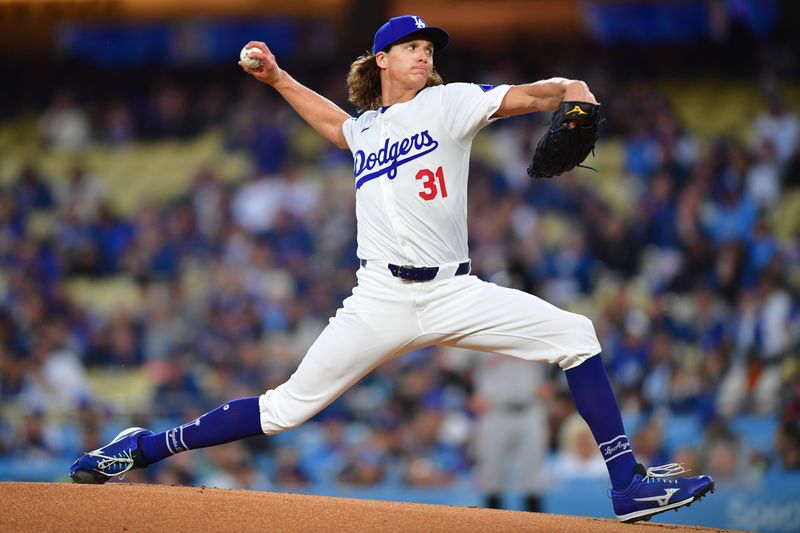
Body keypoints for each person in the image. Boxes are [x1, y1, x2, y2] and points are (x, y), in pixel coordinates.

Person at [69, 15, 714, 523]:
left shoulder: (450, 103)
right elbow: (335, 123)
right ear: (382, 60)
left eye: (430, 46)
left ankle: (626, 483)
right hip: (378, 296)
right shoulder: (368, 130)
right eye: (411, 46)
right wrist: (277, 80)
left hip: (455, 289)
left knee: (577, 336)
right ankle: (143, 446)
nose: (425, 53)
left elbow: (523, 98)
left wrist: (569, 89)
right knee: (285, 410)